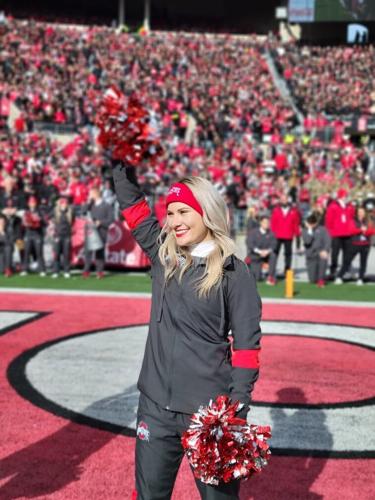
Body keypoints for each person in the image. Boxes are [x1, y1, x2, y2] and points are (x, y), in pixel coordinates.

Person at [112, 163, 262, 500]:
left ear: (206, 213)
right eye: (171, 212)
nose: (175, 220)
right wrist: (121, 167)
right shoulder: (164, 255)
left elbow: (248, 347)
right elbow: (135, 212)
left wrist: (236, 407)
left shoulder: (235, 273)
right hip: (154, 407)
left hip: (209, 413)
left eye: (184, 211)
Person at [338, 206, 375, 285]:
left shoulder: (368, 221)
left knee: (363, 263)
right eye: (359, 212)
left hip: (365, 245)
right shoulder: (353, 221)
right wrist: (360, 230)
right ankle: (339, 276)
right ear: (357, 213)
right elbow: (351, 230)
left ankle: (360, 278)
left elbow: (372, 231)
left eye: (362, 212)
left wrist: (366, 231)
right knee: (347, 261)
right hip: (354, 244)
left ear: (365, 213)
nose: (361, 213)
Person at [325, 188, 355, 283]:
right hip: (336, 234)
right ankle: (333, 270)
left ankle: (345, 269)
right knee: (335, 253)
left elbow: (352, 218)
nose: (347, 197)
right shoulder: (333, 206)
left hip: (347, 233)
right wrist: (330, 232)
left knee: (347, 253)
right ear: (341, 196)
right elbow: (328, 220)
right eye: (345, 195)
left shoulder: (349, 206)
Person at [82, 187, 113, 278]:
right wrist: (88, 202)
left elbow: (111, 219)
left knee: (100, 251)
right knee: (88, 251)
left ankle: (99, 272)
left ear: (95, 194)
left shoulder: (106, 205)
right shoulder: (90, 204)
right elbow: (83, 211)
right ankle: (86, 271)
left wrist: (100, 222)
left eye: (91, 193)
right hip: (90, 231)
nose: (89, 195)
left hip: (101, 231)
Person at [270, 193, 300, 282]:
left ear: (288, 200)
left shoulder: (294, 210)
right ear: (280, 200)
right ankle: (272, 272)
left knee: (288, 255)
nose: (284, 201)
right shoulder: (276, 210)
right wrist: (272, 235)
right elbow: (273, 223)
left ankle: (287, 271)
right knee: (275, 254)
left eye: (285, 199)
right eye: (282, 199)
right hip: (277, 236)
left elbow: (296, 224)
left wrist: (297, 235)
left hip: (288, 235)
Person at [302, 213, 331, 287]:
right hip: (311, 255)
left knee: (323, 257)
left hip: (320, 252)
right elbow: (307, 241)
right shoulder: (305, 230)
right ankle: (316, 277)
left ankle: (321, 279)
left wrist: (325, 250)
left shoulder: (323, 229)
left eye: (313, 223)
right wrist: (310, 230)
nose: (312, 224)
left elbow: (328, 241)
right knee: (312, 280)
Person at [246, 215, 277, 283]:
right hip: (255, 255)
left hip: (267, 255)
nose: (267, 224)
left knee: (273, 255)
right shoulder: (253, 232)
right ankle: (259, 270)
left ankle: (270, 276)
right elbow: (250, 244)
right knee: (257, 278)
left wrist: (267, 251)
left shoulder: (272, 233)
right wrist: (260, 252)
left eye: (268, 223)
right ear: (261, 223)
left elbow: (274, 245)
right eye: (265, 222)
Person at [20, 196, 46, 276]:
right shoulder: (26, 212)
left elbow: (44, 222)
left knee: (39, 252)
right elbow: (23, 223)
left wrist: (38, 220)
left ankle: (42, 269)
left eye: (33, 203)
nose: (32, 204)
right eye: (31, 203)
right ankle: (25, 269)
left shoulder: (40, 211)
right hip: (28, 233)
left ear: (36, 203)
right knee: (26, 252)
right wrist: (26, 223)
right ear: (28, 204)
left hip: (37, 234)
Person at [51, 196, 74, 278]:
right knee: (56, 254)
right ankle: (56, 271)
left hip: (67, 235)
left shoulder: (70, 212)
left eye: (65, 204)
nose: (64, 205)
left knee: (66, 254)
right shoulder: (55, 211)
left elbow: (73, 222)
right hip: (58, 235)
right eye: (62, 204)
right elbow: (49, 219)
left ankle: (66, 271)